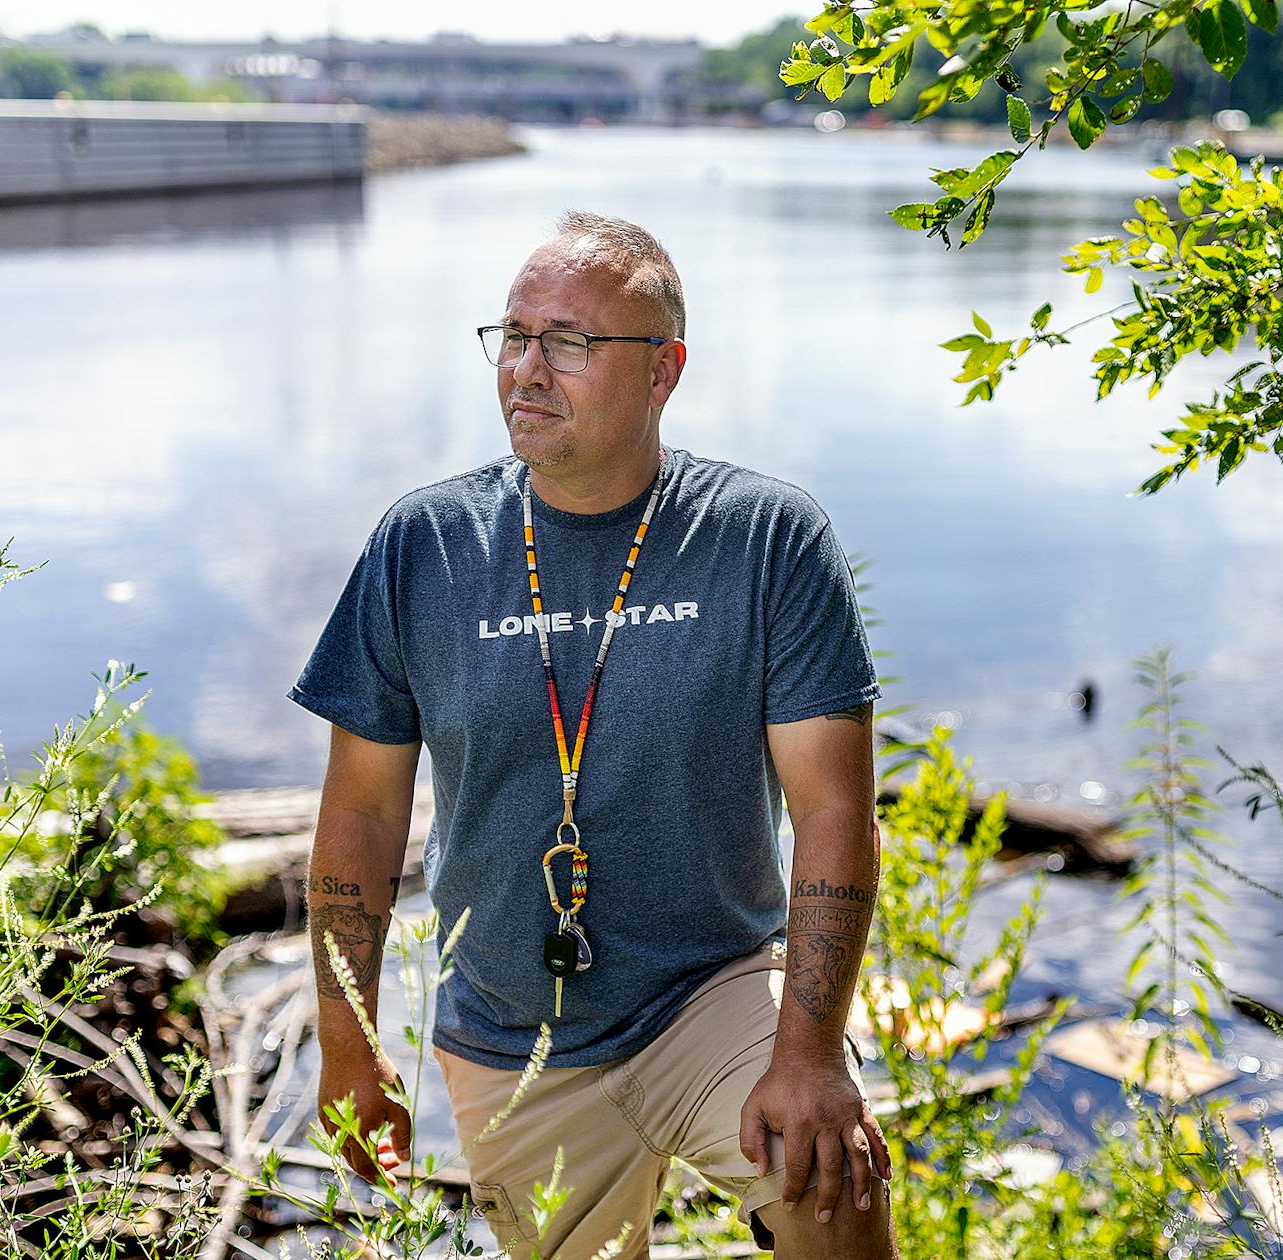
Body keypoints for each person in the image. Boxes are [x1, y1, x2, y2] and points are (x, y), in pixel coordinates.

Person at [289, 210, 898, 1260]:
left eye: (568, 343)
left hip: (708, 989)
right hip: (511, 1031)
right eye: (514, 335)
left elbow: (833, 805)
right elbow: (362, 809)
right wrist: (350, 1046)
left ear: (662, 372)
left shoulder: (763, 537)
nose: (527, 368)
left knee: (830, 1182)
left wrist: (810, 1050)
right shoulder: (423, 546)